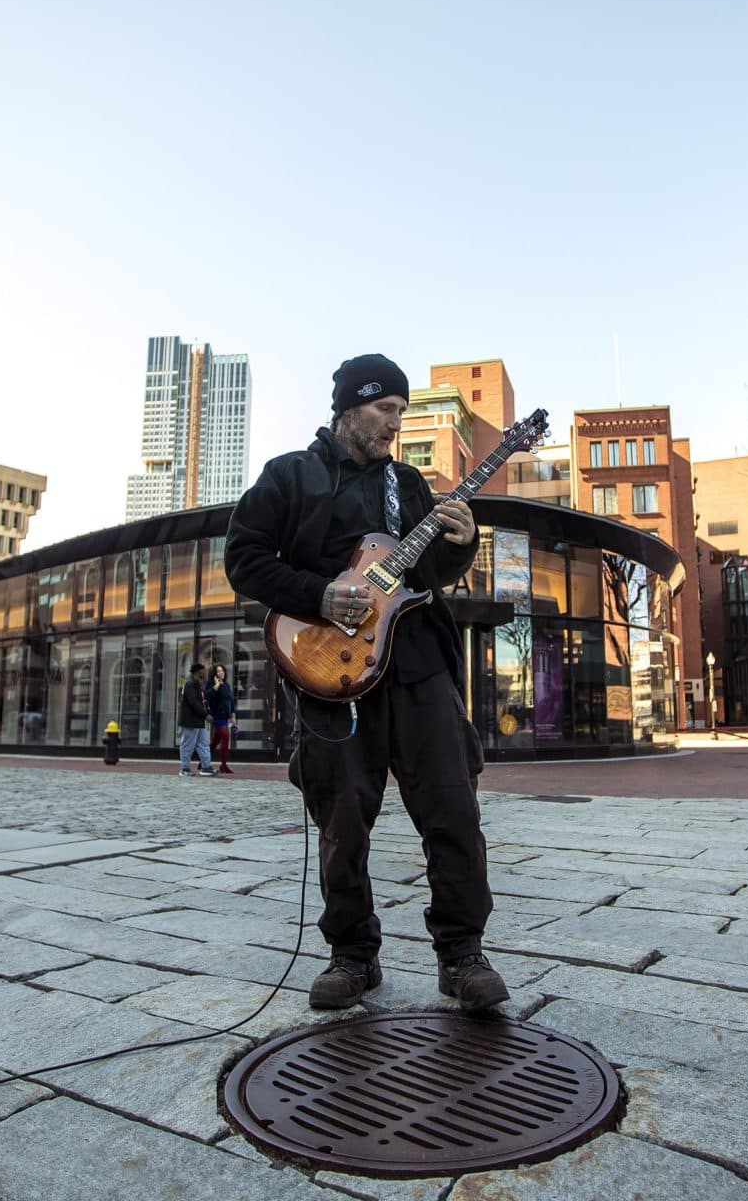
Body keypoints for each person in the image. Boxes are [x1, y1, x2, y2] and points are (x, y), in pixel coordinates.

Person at [225, 353, 508, 1012]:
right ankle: (353, 957)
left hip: (416, 666)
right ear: (350, 407)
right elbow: (243, 558)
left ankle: (462, 956)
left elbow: (428, 572)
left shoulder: (406, 485)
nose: (395, 424)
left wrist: (461, 542)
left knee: (453, 808)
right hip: (329, 672)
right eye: (386, 410)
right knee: (342, 822)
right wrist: (321, 595)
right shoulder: (289, 476)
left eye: (403, 413)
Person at [176, 661, 214, 777]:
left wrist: (206, 713)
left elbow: (201, 702)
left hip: (198, 720)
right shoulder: (190, 684)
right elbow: (194, 702)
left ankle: (206, 767)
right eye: (204, 670)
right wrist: (205, 715)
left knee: (203, 744)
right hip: (190, 720)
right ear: (199, 671)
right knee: (188, 745)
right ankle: (185, 768)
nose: (205, 672)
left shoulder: (197, 683)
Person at [207, 663, 237, 774]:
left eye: (222, 670)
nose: (221, 673)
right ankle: (223, 765)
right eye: (218, 671)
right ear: (214, 674)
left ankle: (203, 761)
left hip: (225, 717)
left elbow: (230, 701)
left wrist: (233, 715)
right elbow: (208, 696)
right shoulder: (211, 685)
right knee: (225, 735)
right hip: (217, 716)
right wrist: (216, 685)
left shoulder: (227, 685)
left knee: (215, 741)